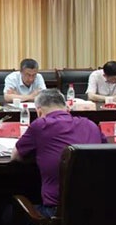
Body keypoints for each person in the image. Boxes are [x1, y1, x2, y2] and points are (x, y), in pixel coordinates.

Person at [11, 89, 106, 217]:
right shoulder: (90, 124)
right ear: (67, 108)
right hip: (96, 210)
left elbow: (15, 156)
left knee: (8, 213)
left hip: (56, 212)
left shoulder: (41, 124)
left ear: (39, 112)